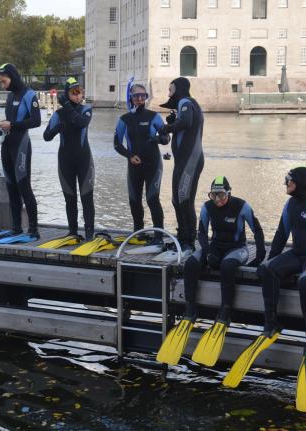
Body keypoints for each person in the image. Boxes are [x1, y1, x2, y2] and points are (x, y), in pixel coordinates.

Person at [223, 167, 306, 413]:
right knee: (267, 271)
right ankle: (271, 324)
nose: (285, 183)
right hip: (298, 255)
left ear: (301, 182)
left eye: (289, 180)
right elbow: (281, 234)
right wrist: (270, 260)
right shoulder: (291, 205)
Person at [157, 176, 267, 368]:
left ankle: (225, 311)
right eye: (214, 195)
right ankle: (191, 308)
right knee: (191, 264)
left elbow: (257, 230)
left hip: (237, 248)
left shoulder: (242, 206)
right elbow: (201, 233)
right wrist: (207, 253)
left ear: (229, 193)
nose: (218, 200)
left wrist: (259, 256)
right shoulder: (208, 207)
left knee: (227, 266)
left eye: (222, 195)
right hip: (215, 247)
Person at [113, 83, 169, 240]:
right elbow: (117, 144)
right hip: (134, 166)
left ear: (146, 97)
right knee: (134, 201)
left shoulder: (154, 116)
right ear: (131, 97)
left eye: (142, 96)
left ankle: (159, 235)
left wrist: (159, 138)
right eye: (136, 96)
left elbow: (166, 138)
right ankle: (139, 232)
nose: (139, 98)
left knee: (152, 199)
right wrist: (130, 156)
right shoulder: (124, 119)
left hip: (153, 165)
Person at [43, 77, 95, 240]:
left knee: (86, 197)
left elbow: (80, 123)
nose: (78, 96)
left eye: (80, 92)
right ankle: (73, 232)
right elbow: (46, 136)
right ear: (67, 94)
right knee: (69, 198)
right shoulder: (58, 114)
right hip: (65, 161)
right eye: (74, 93)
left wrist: (66, 105)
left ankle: (89, 233)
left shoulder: (86, 109)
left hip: (84, 160)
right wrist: (57, 128)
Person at [0, 63, 41, 237]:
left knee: (24, 187)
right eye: (0, 82)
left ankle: (33, 230)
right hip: (7, 145)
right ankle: (16, 228)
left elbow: (36, 121)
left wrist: (13, 125)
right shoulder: (10, 96)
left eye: (3, 81)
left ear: (12, 77)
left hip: (21, 146)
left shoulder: (29, 95)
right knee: (11, 187)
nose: (2, 85)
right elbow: (8, 122)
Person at [160, 77, 204, 254]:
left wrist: (167, 128)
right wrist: (172, 122)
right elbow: (184, 124)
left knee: (185, 200)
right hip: (182, 162)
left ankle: (189, 242)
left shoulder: (186, 102)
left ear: (178, 89)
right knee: (177, 200)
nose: (169, 94)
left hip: (190, 161)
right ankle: (182, 238)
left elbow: (186, 122)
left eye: (171, 90)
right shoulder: (184, 105)